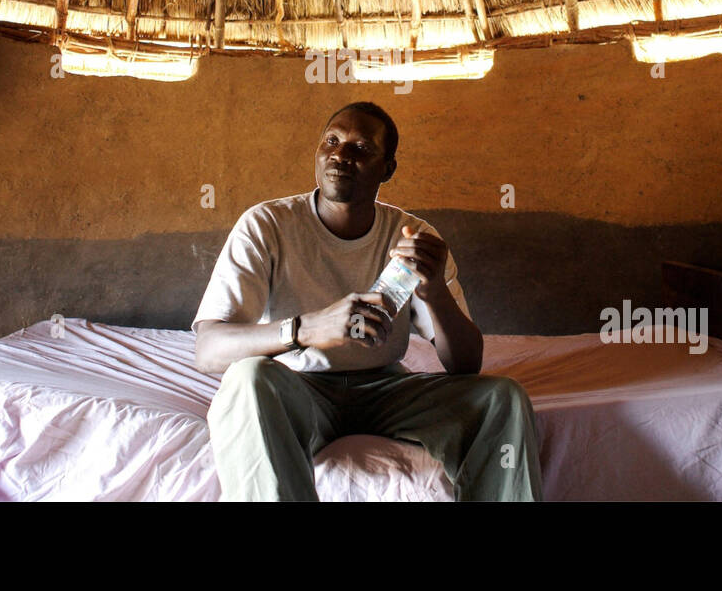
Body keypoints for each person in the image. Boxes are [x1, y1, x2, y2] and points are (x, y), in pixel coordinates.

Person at [192, 101, 543, 501]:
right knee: (248, 379)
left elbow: (466, 364)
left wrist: (433, 292)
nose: (341, 155)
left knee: (503, 397)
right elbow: (208, 351)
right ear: (318, 152)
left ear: (387, 169)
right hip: (296, 389)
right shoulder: (266, 226)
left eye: (361, 148)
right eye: (332, 141)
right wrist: (306, 329)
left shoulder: (411, 236)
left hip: (385, 390)